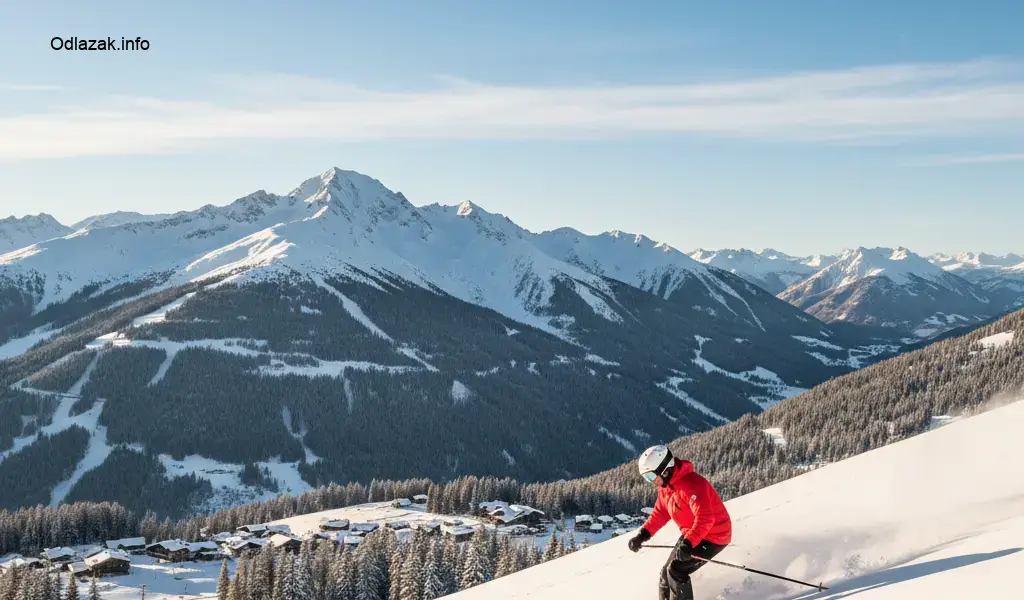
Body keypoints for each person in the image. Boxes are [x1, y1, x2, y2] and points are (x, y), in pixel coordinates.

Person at [627, 445, 732, 600]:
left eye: (650, 476)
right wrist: (642, 535)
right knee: (665, 576)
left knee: (676, 571)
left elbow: (705, 518)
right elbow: (660, 513)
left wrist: (688, 544)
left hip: (714, 536)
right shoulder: (666, 487)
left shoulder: (692, 484)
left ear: (665, 470)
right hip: (692, 534)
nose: (651, 482)